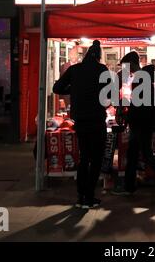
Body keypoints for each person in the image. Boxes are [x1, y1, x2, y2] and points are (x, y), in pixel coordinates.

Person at [112, 51, 155, 201]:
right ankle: (129, 187)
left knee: (145, 155)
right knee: (135, 154)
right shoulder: (142, 78)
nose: (126, 70)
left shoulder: (141, 79)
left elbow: (141, 107)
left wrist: (126, 112)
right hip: (142, 123)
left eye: (126, 66)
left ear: (131, 64)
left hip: (141, 124)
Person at [52, 40, 110, 209]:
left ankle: (80, 196)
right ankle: (90, 196)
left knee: (84, 158)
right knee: (96, 159)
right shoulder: (101, 70)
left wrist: (74, 89)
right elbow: (109, 94)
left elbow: (57, 88)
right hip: (97, 120)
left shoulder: (74, 69)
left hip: (80, 121)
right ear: (98, 56)